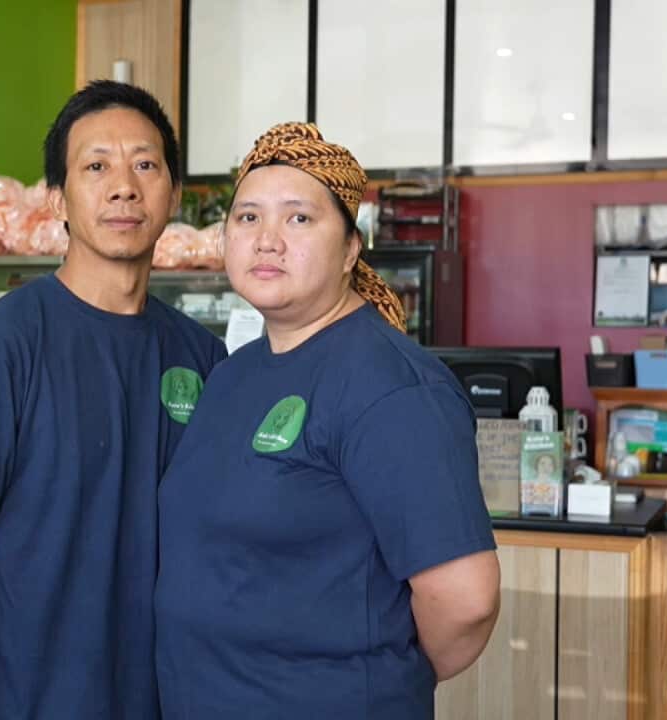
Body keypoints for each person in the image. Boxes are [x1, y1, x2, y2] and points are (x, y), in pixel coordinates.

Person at [155, 122, 500, 719]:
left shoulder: (390, 386)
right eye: (247, 217)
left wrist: (375, 678)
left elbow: (465, 601)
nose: (267, 240)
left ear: (350, 248)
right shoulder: (234, 375)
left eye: (298, 218)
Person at [0, 80, 227, 720]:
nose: (124, 186)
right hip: (29, 700)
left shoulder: (204, 358)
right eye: (96, 167)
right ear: (57, 200)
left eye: (145, 164)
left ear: (171, 192)